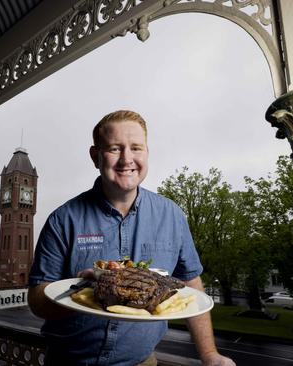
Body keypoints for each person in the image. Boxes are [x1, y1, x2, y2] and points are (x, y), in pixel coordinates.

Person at [28, 110, 235, 366]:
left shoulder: (172, 215)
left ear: (147, 153)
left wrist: (210, 355)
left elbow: (191, 284)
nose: (127, 159)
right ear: (95, 156)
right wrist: (83, 289)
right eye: (115, 149)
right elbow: (36, 300)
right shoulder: (62, 219)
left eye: (136, 148)